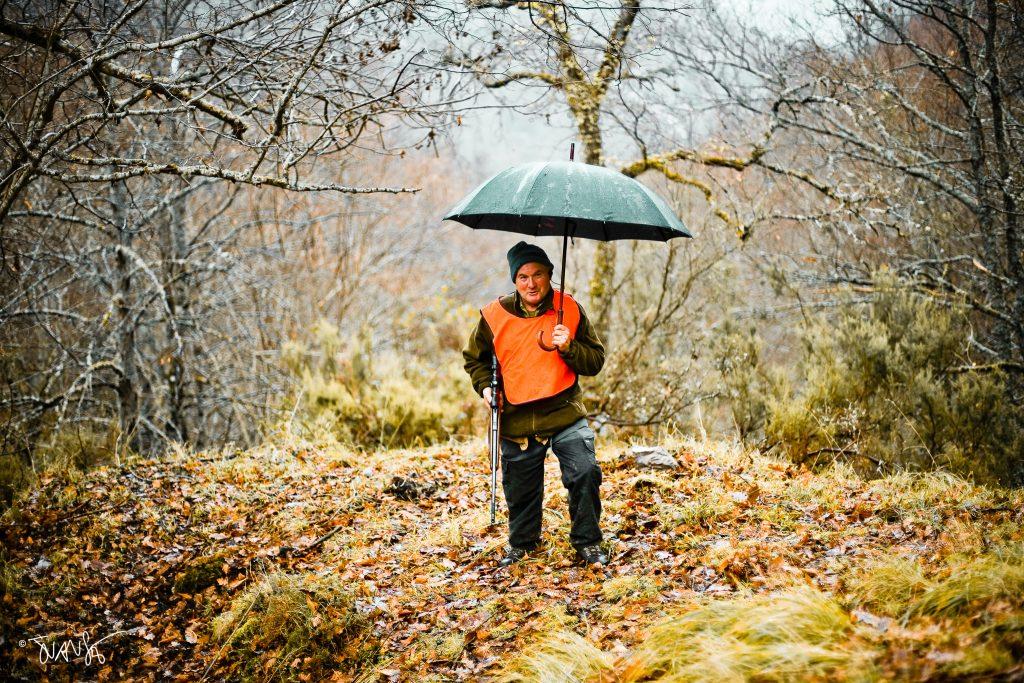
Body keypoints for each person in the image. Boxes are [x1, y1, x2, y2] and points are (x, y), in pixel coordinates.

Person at [463, 241, 608, 567]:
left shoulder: (569, 309)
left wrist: (569, 347)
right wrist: (485, 388)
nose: (531, 283)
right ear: (515, 280)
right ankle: (523, 544)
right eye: (523, 276)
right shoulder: (493, 315)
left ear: (550, 275)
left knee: (584, 472)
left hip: (564, 411)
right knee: (520, 488)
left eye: (538, 274)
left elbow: (595, 361)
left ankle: (588, 542)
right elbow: (475, 361)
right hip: (517, 417)